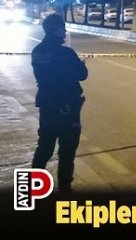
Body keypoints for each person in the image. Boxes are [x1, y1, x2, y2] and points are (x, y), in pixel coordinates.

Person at [31, 13, 88, 193]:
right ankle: (65, 187)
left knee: (44, 147)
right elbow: (82, 75)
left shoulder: (37, 51)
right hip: (66, 107)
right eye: (62, 28)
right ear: (56, 30)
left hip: (47, 104)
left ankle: (31, 189)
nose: (64, 32)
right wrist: (81, 64)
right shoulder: (66, 53)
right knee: (67, 150)